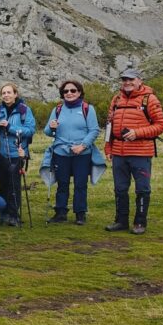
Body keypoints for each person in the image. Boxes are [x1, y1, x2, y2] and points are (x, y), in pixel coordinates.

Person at [104, 69, 163, 235]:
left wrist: (137, 133)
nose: (127, 82)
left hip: (141, 152)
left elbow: (161, 125)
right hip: (118, 152)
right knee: (120, 188)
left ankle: (140, 223)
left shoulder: (149, 99)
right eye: (124, 79)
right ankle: (121, 221)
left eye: (131, 79)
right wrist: (108, 147)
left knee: (142, 189)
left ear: (140, 80)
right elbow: (109, 125)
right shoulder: (116, 99)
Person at [44, 80, 100, 225]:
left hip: (82, 153)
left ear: (79, 92)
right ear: (62, 94)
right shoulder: (57, 110)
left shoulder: (88, 108)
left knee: (80, 184)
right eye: (65, 91)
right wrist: (51, 127)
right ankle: (60, 213)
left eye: (73, 90)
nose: (69, 93)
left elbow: (94, 130)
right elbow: (47, 132)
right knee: (62, 183)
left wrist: (82, 146)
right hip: (60, 152)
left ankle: (80, 214)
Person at [0, 82, 36, 226]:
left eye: (9, 92)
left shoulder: (24, 110)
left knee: (14, 185)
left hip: (17, 153)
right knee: (3, 184)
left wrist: (10, 127)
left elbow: (30, 130)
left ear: (15, 94)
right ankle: (4, 214)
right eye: (3, 93)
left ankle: (14, 215)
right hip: (1, 153)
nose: (6, 95)